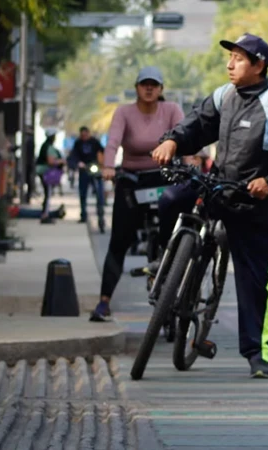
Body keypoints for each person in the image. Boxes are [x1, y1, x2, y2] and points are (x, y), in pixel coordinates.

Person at [151, 33, 268, 378]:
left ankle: (257, 353)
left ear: (259, 65)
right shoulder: (223, 96)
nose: (230, 64)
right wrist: (171, 141)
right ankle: (165, 268)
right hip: (218, 189)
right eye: (230, 58)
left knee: (255, 281)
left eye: (239, 59)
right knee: (169, 200)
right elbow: (196, 124)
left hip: (257, 203)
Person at [89, 66, 185, 322]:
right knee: (119, 240)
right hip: (132, 180)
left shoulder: (172, 110)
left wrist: (192, 160)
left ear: (161, 89)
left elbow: (185, 136)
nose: (149, 88)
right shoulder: (124, 112)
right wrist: (109, 166)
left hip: (165, 178)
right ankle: (104, 301)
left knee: (176, 235)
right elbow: (113, 142)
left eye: (155, 84)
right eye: (145, 84)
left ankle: (173, 284)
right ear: (137, 88)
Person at [70, 126, 106, 230]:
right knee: (83, 193)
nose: (84, 137)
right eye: (82, 135)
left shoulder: (94, 142)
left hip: (95, 169)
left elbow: (102, 151)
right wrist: (78, 163)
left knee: (99, 194)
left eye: (86, 134)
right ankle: (83, 214)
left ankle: (100, 215)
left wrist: (102, 163)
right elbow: (74, 155)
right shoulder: (78, 143)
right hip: (84, 170)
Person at [35, 130, 65, 224]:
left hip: (43, 172)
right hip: (46, 172)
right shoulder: (48, 147)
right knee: (47, 193)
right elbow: (51, 161)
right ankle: (45, 215)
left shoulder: (46, 146)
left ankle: (45, 213)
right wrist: (61, 161)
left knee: (47, 193)